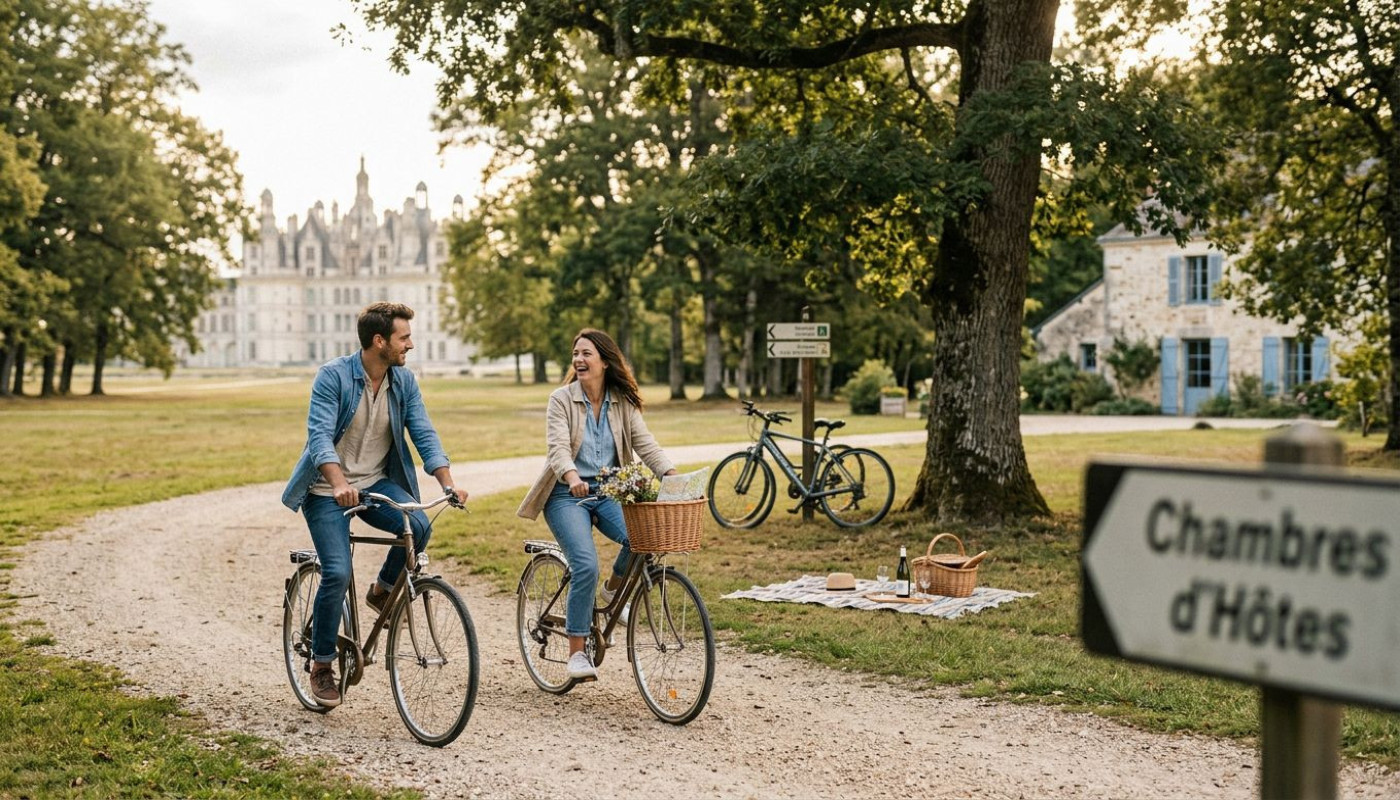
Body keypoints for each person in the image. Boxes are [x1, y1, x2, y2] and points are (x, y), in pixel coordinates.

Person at [281, 301, 469, 708]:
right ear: (379, 341)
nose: (411, 345)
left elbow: (424, 433)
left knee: (419, 528)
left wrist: (448, 483)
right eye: (404, 338)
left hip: (376, 484)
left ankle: (383, 591)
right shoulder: (333, 377)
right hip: (327, 491)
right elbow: (318, 440)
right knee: (336, 571)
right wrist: (338, 484)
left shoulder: (403, 381)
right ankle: (322, 664)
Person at [517, 328, 676, 681]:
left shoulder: (622, 401)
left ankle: (611, 591)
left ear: (604, 361)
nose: (578, 359)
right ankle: (576, 653)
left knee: (643, 539)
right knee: (585, 564)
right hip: (565, 495)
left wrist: (671, 473)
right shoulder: (561, 399)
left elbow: (645, 444)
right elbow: (557, 448)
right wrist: (572, 477)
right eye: (575, 353)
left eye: (586, 353)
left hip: (608, 492)